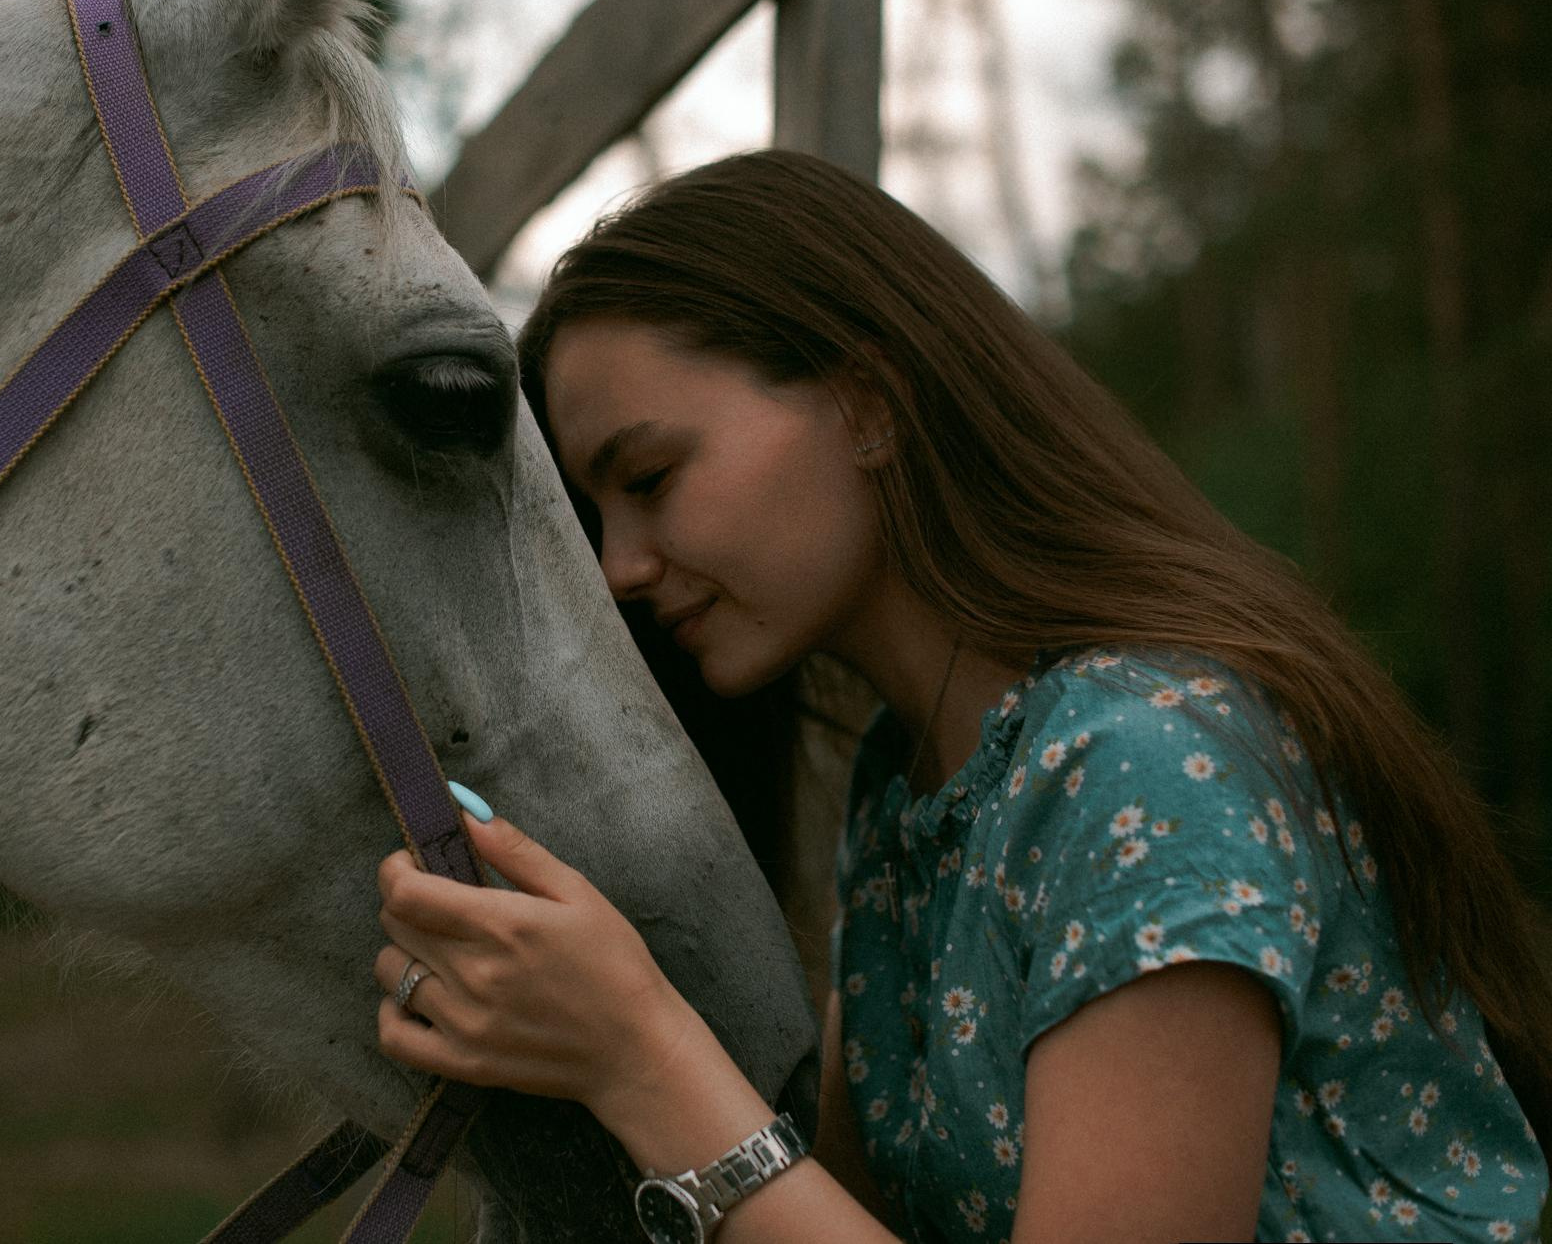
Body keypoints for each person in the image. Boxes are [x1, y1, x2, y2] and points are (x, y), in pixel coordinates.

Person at [369, 149, 1552, 1243]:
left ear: (872, 405)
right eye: (601, 515)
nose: (621, 566)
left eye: (651, 478)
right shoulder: (911, 795)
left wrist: (634, 1052)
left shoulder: (1142, 759)